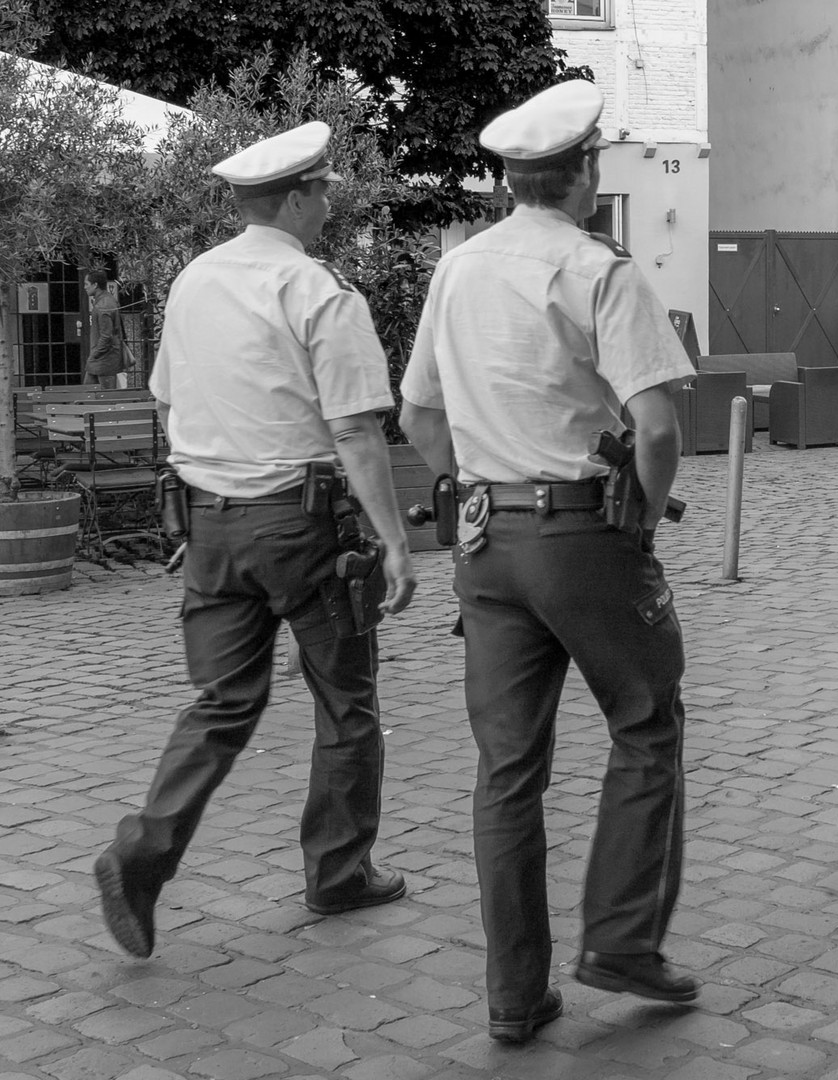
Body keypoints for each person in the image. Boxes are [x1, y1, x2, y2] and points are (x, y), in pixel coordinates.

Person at [399, 80, 699, 1043]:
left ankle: (514, 997)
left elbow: (416, 419)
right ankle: (619, 938)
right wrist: (642, 521)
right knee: (646, 725)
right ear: (585, 174)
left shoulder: (458, 270)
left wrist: (477, 485)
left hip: (488, 544)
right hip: (582, 535)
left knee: (507, 772)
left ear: (504, 183)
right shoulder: (599, 270)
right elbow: (655, 427)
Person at [93, 121, 418, 959]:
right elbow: (354, 431)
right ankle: (339, 871)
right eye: (322, 190)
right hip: (302, 523)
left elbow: (167, 401)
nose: (327, 203)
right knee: (345, 700)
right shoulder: (318, 291)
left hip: (209, 521)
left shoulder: (194, 280)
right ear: (299, 197)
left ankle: (143, 848)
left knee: (223, 702)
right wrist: (393, 540)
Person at [83, 269, 124, 389]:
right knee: (88, 393)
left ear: (95, 285)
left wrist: (94, 354)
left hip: (104, 360)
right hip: (101, 359)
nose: (85, 287)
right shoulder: (107, 300)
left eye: (86, 284)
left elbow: (106, 335)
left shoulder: (103, 305)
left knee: (104, 397)